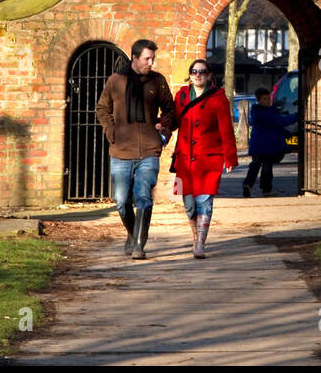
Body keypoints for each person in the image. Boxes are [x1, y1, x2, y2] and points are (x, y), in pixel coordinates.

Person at [96, 39, 178, 260]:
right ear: (134, 58)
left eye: (153, 59)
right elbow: (102, 108)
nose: (151, 63)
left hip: (149, 150)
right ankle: (132, 234)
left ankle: (139, 245)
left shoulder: (157, 81)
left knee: (143, 196)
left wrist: (164, 132)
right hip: (121, 150)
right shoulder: (116, 80)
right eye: (146, 59)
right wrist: (111, 131)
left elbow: (170, 110)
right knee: (121, 200)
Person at [171, 60, 237, 258]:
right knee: (189, 204)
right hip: (184, 159)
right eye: (194, 71)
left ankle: (200, 243)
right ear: (190, 74)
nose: (197, 75)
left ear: (209, 75)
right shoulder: (181, 96)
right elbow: (173, 120)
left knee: (205, 202)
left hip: (209, 159)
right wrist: (160, 128)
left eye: (202, 72)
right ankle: (194, 236)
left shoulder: (219, 98)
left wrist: (230, 158)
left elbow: (226, 129)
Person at [243, 88, 297, 197]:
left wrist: (285, 133)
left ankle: (248, 184)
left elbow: (274, 125)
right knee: (266, 167)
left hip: (258, 145)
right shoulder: (264, 112)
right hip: (267, 145)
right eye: (264, 99)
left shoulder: (258, 112)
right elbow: (278, 121)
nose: (267, 101)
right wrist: (296, 116)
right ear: (258, 100)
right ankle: (266, 189)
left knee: (255, 165)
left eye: (269, 98)